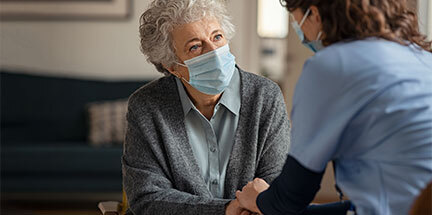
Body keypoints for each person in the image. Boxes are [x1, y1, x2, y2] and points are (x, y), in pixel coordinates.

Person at [236, 0, 432, 214]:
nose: (300, 30)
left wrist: (257, 199)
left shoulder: (331, 65)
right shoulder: (420, 56)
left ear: (315, 14)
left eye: (296, 19)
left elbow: (290, 198)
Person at [121, 0, 290, 214]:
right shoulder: (146, 106)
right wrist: (227, 210)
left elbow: (276, 186)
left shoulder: (266, 97)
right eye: (195, 46)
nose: (214, 52)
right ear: (173, 67)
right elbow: (147, 197)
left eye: (217, 37)